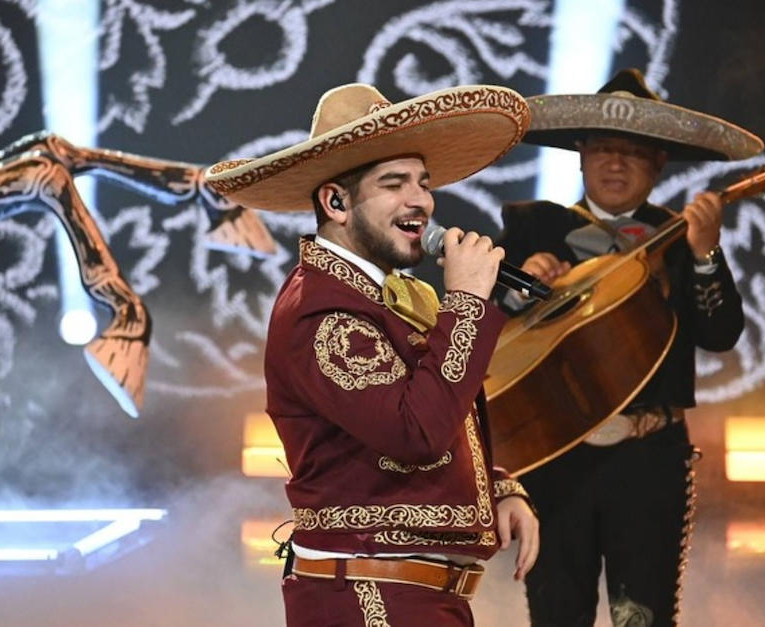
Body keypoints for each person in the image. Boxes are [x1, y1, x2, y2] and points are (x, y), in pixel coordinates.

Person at [207, 82, 539, 626]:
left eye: (423, 183)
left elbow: (430, 410)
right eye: (394, 183)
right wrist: (464, 303)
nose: (422, 201)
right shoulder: (322, 310)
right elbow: (413, 432)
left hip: (410, 595)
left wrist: (496, 487)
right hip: (369, 595)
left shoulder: (382, 297)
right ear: (335, 202)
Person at [495, 69, 764, 626]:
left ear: (660, 162)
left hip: (649, 460)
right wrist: (524, 281)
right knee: (557, 615)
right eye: (603, 149)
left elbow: (720, 335)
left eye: (634, 152)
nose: (616, 164)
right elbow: (478, 320)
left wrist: (707, 254)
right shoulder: (531, 226)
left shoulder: (682, 234)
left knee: (642, 617)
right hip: (555, 457)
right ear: (580, 155)